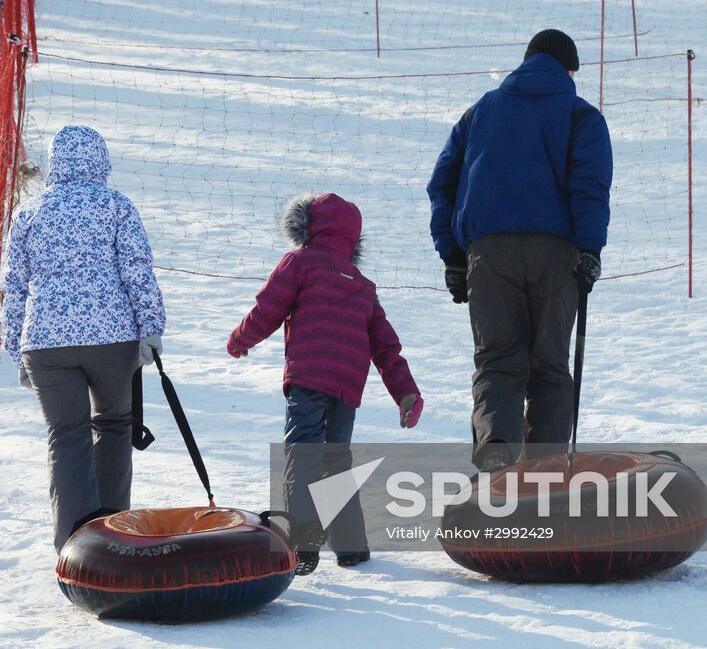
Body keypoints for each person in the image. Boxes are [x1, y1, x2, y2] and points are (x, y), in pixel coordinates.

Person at [426, 30, 612, 472]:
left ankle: (496, 449)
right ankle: (544, 470)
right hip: (557, 255)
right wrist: (589, 250)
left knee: (497, 362)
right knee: (549, 366)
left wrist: (452, 256)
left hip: (488, 256)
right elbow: (590, 187)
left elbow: (443, 185)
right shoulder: (581, 116)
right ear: (569, 69)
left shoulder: (480, 112)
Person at [227, 192, 422, 575]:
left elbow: (269, 307)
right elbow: (386, 346)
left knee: (303, 455)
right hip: (347, 385)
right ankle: (351, 546)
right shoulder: (363, 285)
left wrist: (240, 340)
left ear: (305, 228)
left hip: (309, 375)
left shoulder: (300, 263)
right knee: (336, 460)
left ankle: (303, 544)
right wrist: (406, 392)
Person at [4, 125, 166, 553]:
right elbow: (136, 269)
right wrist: (150, 327)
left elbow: (15, 285)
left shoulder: (29, 211)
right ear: (102, 162)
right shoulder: (116, 207)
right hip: (113, 338)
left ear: (55, 163)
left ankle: (74, 547)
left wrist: (16, 352)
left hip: (45, 342)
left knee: (67, 435)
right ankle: (114, 538)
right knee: (113, 425)